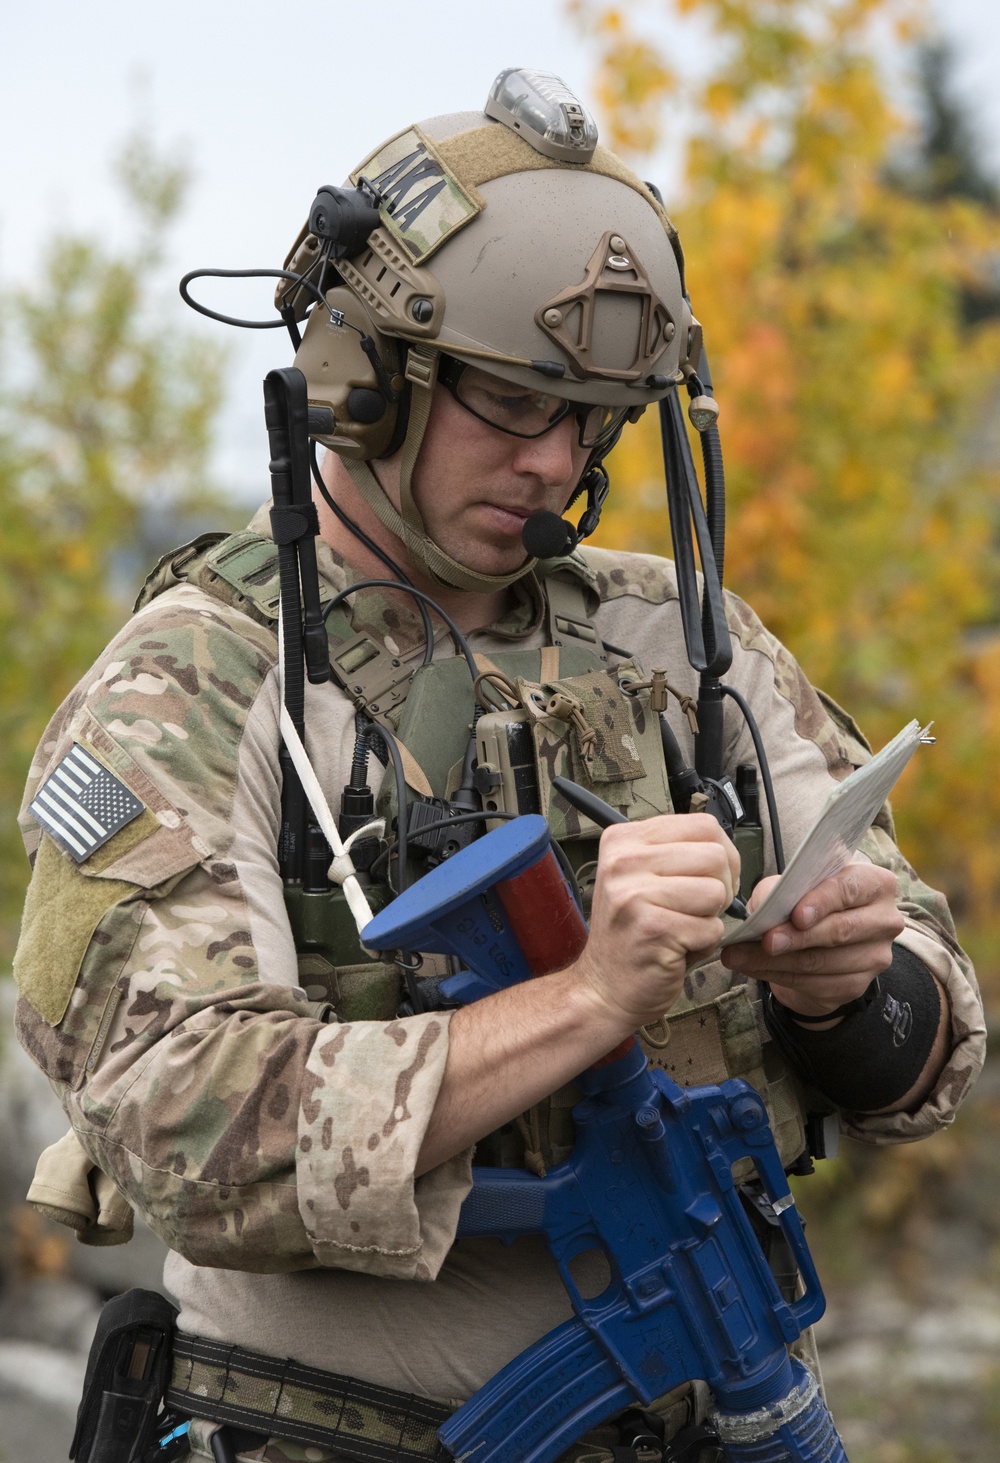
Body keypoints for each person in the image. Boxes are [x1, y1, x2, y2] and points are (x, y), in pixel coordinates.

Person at [13, 69, 985, 1463]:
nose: (555, 461)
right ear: (366, 384)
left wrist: (852, 993)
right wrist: (589, 999)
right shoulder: (195, 684)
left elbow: (935, 1036)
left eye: (592, 420)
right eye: (515, 406)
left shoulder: (682, 644)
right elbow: (192, 1131)